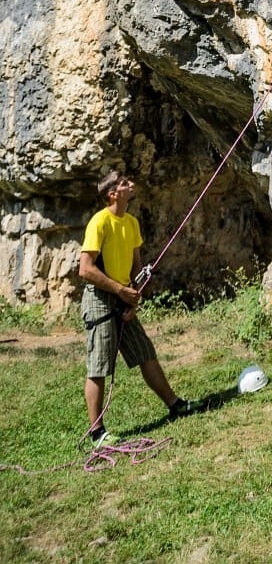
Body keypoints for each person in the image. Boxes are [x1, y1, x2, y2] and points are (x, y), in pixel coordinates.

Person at [79, 171, 203, 447]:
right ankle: (97, 432)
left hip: (123, 296)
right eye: (124, 184)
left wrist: (133, 296)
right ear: (113, 194)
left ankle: (175, 405)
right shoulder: (99, 222)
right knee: (99, 365)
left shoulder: (132, 222)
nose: (130, 185)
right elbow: (85, 269)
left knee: (146, 353)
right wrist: (119, 291)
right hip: (100, 299)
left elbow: (135, 264)